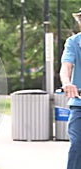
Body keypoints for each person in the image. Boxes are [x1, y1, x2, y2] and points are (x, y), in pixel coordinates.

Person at [59, 8, 81, 169]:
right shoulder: (74, 42)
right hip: (80, 104)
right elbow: (66, 66)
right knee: (77, 145)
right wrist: (67, 83)